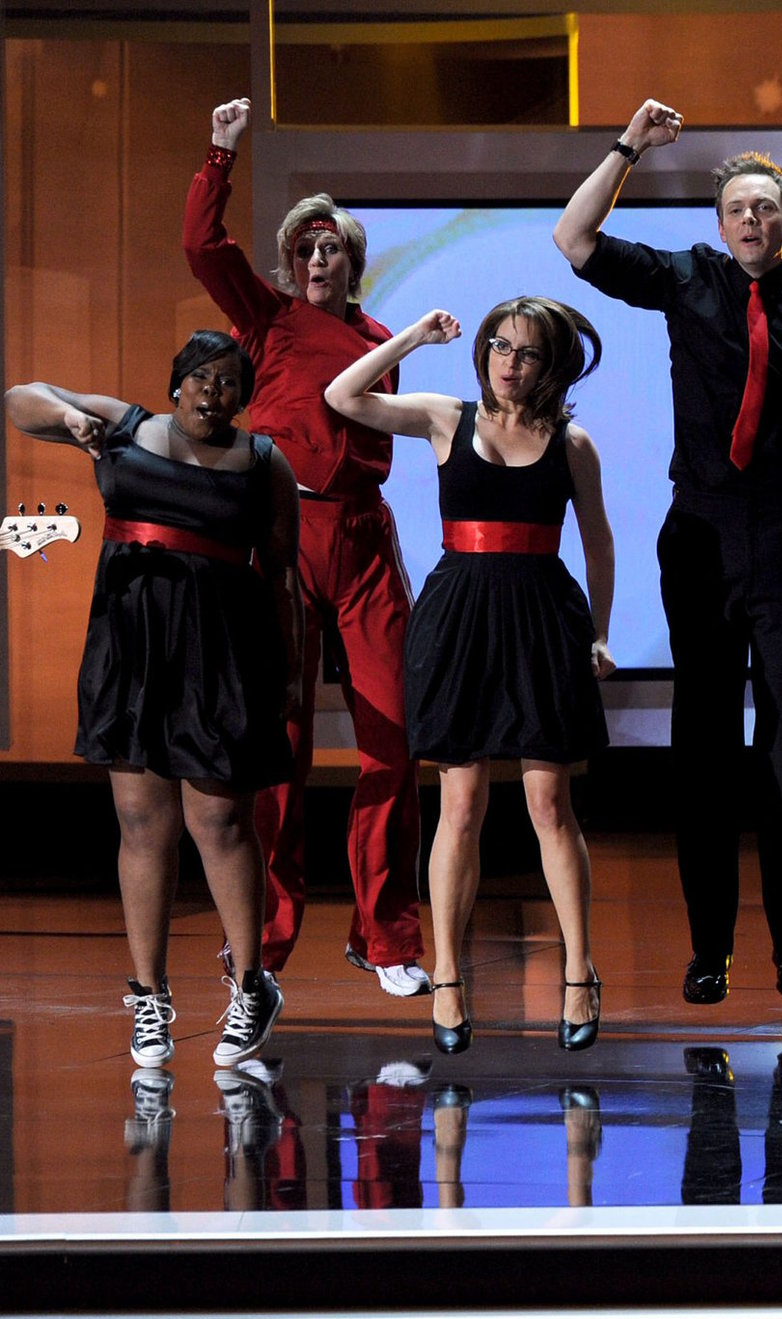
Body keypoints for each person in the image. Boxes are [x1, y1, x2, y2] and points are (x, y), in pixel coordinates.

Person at [555, 99, 782, 1006]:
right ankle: (709, 952)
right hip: (697, 535)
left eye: (766, 208)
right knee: (702, 748)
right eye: (737, 207)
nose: (750, 220)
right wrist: (629, 146)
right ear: (718, 221)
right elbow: (574, 239)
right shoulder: (685, 279)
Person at [324, 298, 616, 1054]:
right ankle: (448, 979)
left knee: (550, 804)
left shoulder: (570, 442)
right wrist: (415, 337)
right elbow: (343, 396)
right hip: (460, 617)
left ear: (551, 366)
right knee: (459, 805)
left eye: (525, 353)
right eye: (499, 347)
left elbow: (599, 545)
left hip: (542, 616)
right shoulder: (445, 417)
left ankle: (578, 971)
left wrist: (602, 633)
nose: (509, 364)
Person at [186, 98, 429, 997]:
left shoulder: (376, 341)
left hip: (361, 538)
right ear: (289, 263)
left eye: (331, 248)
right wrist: (222, 153)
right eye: (304, 248)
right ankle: (267, 942)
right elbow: (204, 250)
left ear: (353, 262)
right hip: (283, 538)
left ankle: (388, 936)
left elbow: (368, 427)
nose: (317, 259)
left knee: (390, 742)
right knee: (276, 748)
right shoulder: (266, 320)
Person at [5, 332, 297, 1068]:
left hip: (221, 649)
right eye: (201, 378)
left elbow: (284, 575)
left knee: (220, 818)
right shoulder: (128, 428)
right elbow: (20, 400)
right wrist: (70, 419)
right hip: (131, 644)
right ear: (176, 385)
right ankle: (148, 996)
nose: (212, 392)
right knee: (141, 821)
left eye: (229, 383)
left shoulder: (263, 462)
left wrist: (289, 671)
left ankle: (252, 985)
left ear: (244, 396)